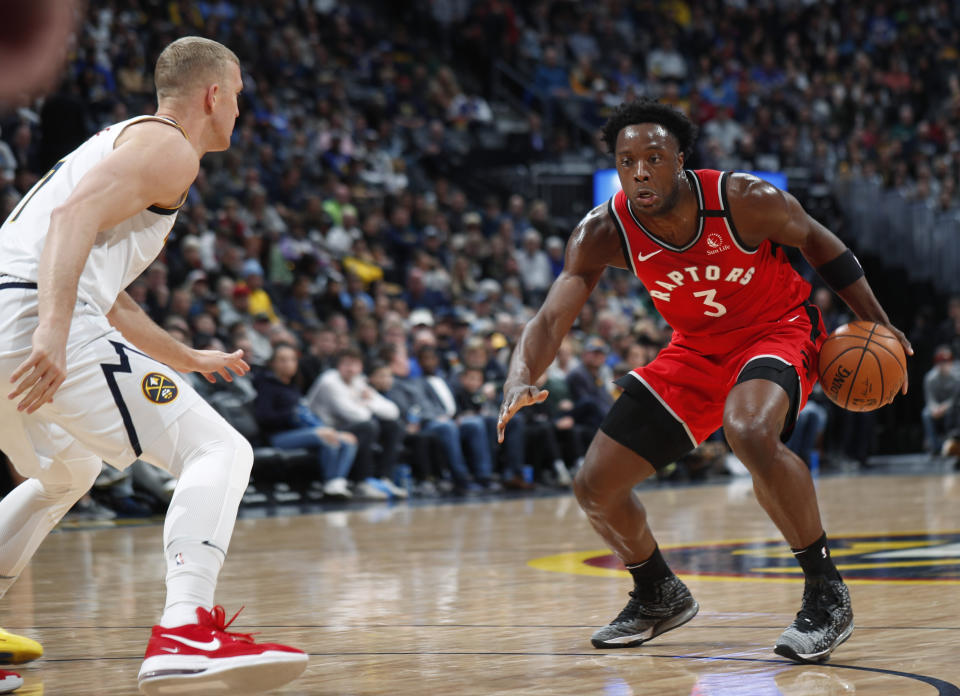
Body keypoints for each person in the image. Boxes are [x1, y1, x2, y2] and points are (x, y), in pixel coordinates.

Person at [497, 98, 912, 664]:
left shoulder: (742, 200)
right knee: (595, 485)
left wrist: (878, 322)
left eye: (653, 157)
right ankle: (657, 593)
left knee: (749, 431)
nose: (640, 171)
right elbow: (549, 318)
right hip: (695, 351)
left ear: (681, 160)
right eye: (627, 161)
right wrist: (519, 375)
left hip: (777, 329)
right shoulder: (603, 230)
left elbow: (820, 242)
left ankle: (825, 591)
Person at [0, 37, 307, 695]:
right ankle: (186, 631)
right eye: (240, 97)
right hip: (30, 318)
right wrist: (52, 332)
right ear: (213, 94)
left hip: (8, 316)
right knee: (219, 451)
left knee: (68, 468)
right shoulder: (168, 146)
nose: (240, 112)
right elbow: (70, 219)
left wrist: (184, 356)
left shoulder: (128, 145)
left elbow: (105, 285)